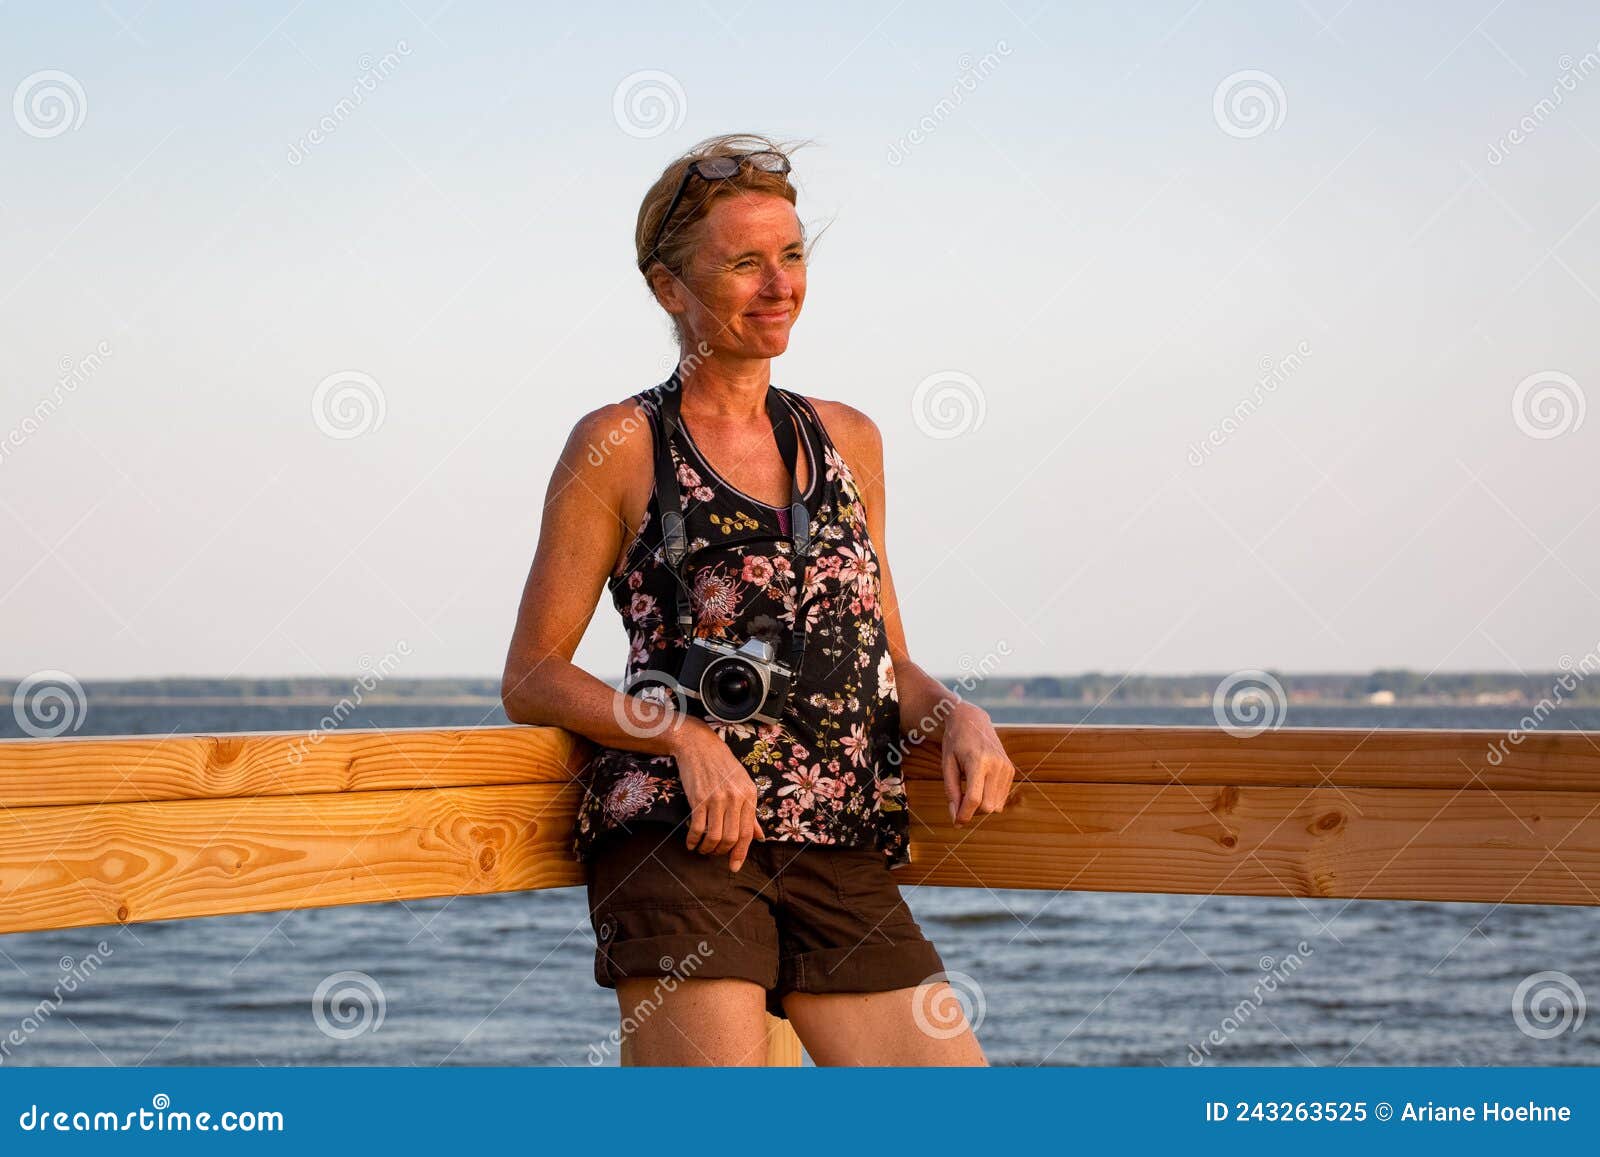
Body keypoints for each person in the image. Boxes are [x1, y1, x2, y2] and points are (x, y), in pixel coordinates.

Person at [500, 132, 1015, 1065]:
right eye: (745, 263)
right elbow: (531, 674)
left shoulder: (848, 438)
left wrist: (954, 712)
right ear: (670, 288)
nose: (780, 286)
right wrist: (680, 734)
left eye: (791, 255)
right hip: (681, 836)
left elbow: (882, 659)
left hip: (841, 842)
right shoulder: (619, 443)